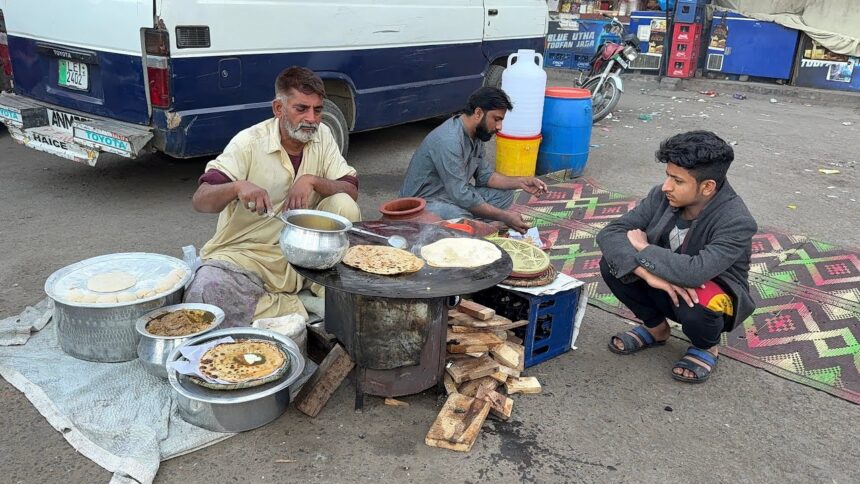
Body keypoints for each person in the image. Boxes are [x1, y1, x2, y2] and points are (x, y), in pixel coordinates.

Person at [186, 66, 361, 327]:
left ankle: (314, 295)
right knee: (205, 292)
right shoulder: (247, 143)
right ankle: (298, 306)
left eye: (317, 110)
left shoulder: (322, 135)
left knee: (343, 204)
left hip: (306, 256)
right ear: (278, 109)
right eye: (301, 109)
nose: (311, 118)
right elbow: (201, 199)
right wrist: (238, 187)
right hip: (249, 254)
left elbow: (351, 188)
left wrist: (312, 181)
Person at [596, 131, 757, 383]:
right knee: (612, 263)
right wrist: (647, 274)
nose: (666, 186)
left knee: (698, 298)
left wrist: (644, 249)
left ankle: (707, 347)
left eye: (677, 181)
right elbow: (610, 233)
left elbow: (695, 272)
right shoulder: (661, 196)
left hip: (707, 293)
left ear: (707, 187)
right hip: (663, 280)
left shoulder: (736, 220)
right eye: (667, 176)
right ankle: (656, 328)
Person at [398, 86, 548, 233]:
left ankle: (476, 225)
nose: (499, 126)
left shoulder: (476, 135)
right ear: (478, 113)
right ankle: (481, 227)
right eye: (496, 119)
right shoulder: (449, 140)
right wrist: (505, 216)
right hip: (424, 203)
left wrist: (521, 182)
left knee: (504, 194)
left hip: (450, 195)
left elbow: (486, 176)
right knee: (460, 217)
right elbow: (461, 195)